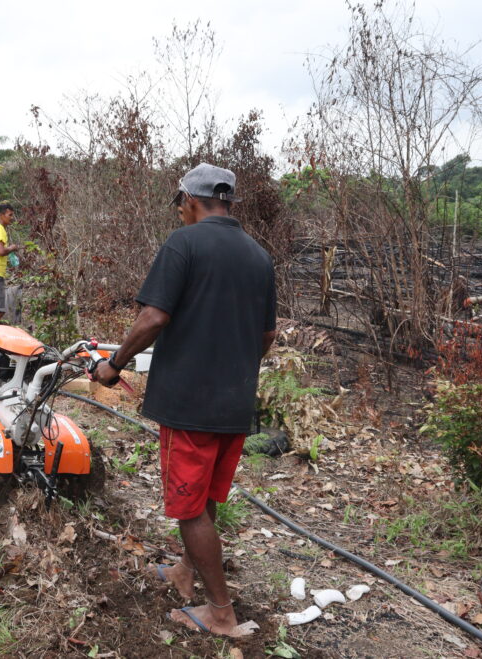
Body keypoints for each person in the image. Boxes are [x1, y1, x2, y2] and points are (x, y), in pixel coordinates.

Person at [93, 163, 276, 637]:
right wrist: (232, 369)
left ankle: (221, 613)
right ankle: (184, 572)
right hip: (235, 404)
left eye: (179, 203)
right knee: (206, 495)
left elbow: (154, 317)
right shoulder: (258, 256)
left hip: (190, 404)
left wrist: (114, 364)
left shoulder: (184, 244)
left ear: (191, 200)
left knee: (189, 508)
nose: (179, 211)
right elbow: (267, 335)